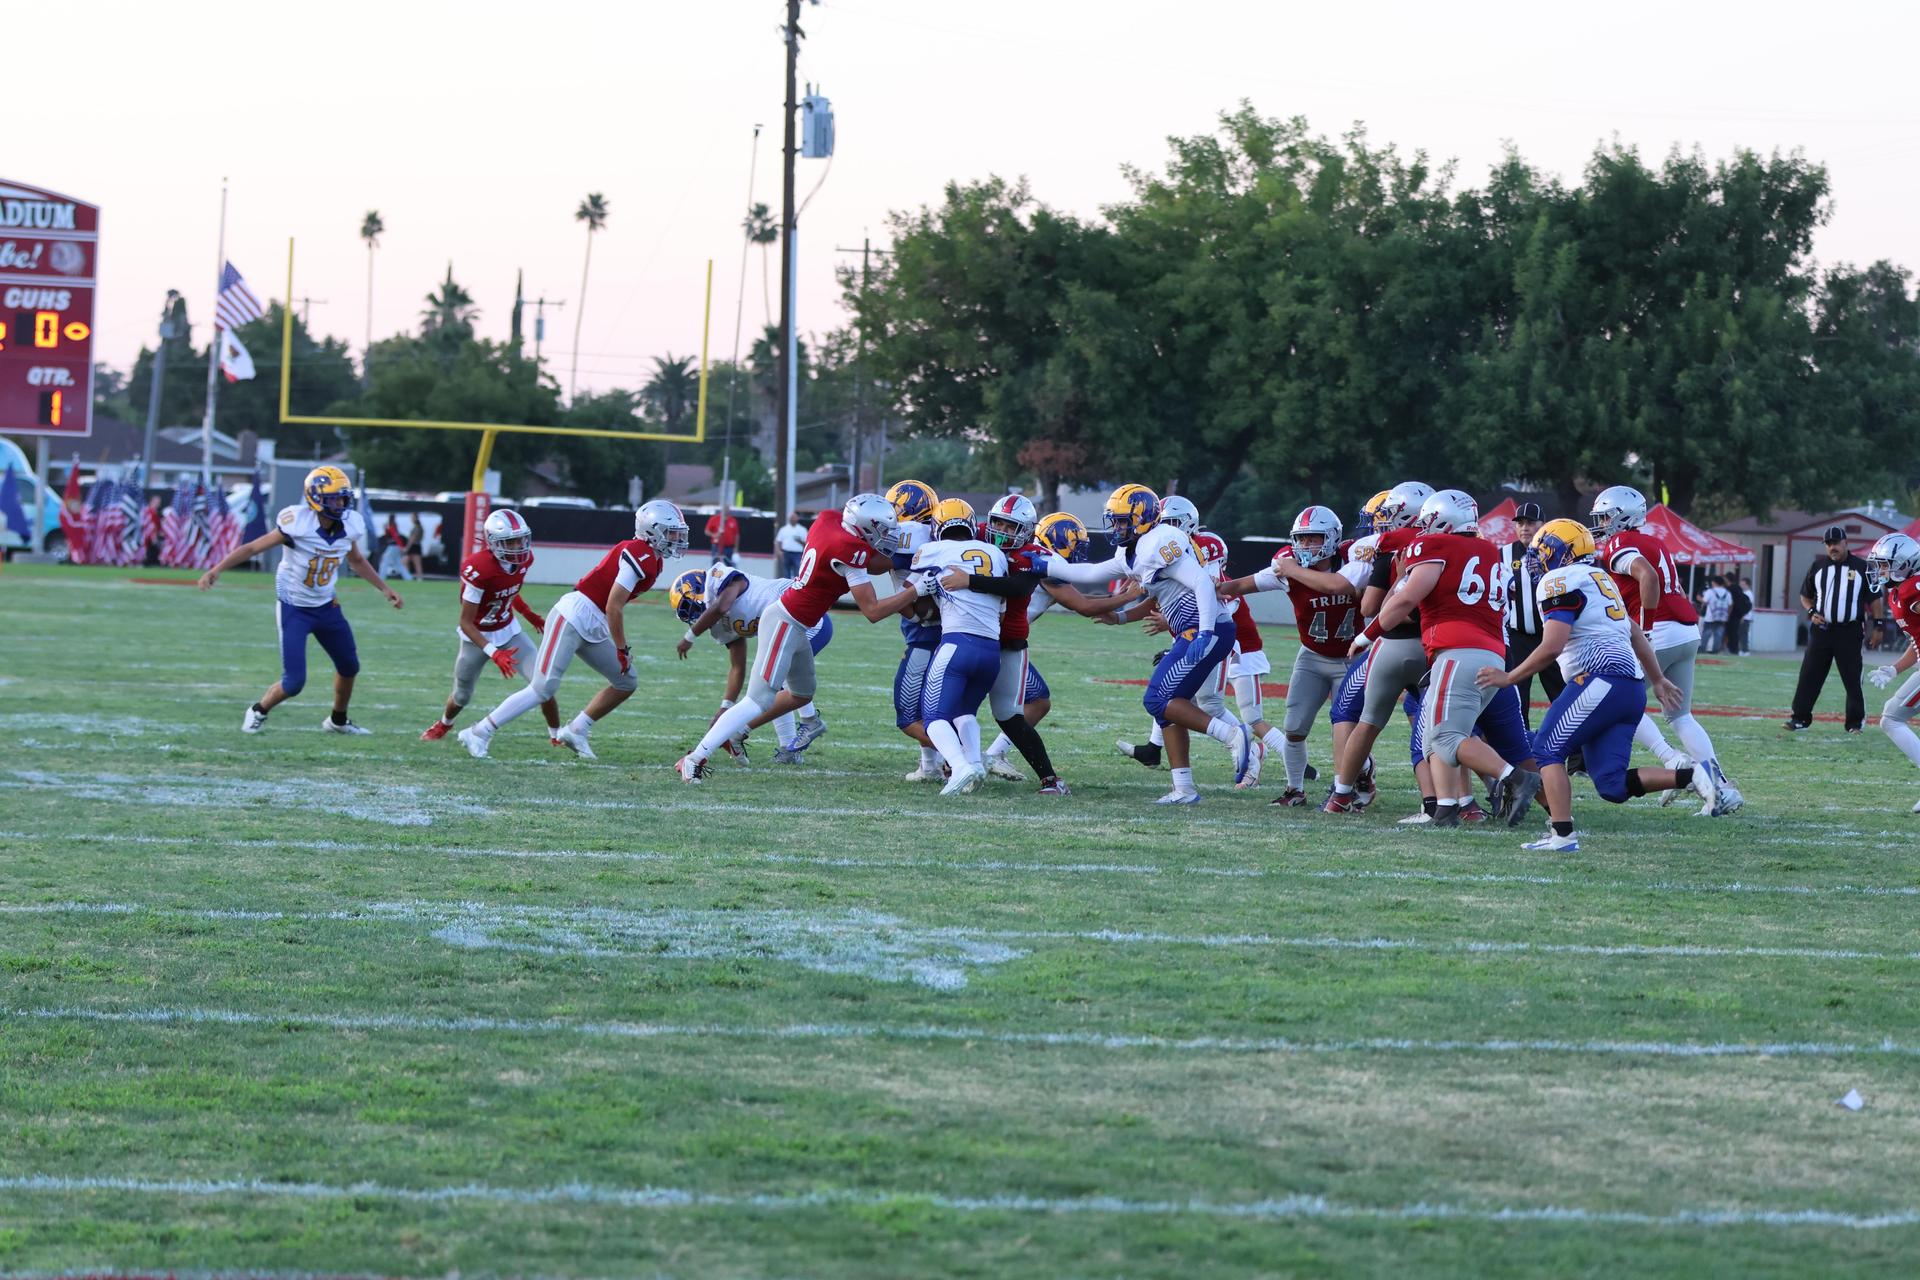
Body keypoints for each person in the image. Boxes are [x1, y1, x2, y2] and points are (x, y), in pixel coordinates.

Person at [1478, 520, 1710, 850]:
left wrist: (1509, 676)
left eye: (1544, 550)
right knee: (1611, 785)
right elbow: (1634, 632)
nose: (1539, 558)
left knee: (1546, 749)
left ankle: (1562, 835)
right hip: (1629, 686)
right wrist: (1656, 678)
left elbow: (1553, 645)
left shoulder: (1559, 580)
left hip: (1600, 678)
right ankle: (1695, 776)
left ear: (1563, 551)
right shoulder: (1600, 578)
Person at [676, 493, 927, 782]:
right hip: (785, 620)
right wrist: (915, 589)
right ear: (863, 528)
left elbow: (874, 562)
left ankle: (765, 732)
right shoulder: (849, 550)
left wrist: (905, 559)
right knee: (758, 700)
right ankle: (694, 758)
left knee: (801, 693)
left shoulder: (828, 521)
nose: (885, 536)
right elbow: (871, 610)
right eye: (881, 530)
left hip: (798, 622)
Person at [1041, 484, 1250, 804]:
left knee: (1157, 699)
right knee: (1169, 708)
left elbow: (1202, 585)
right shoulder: (1132, 550)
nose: (1116, 527)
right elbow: (1091, 572)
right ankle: (1184, 790)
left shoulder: (1158, 542)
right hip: (1192, 631)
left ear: (1142, 518)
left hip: (1207, 630)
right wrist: (1041, 564)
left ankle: (1232, 735)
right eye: (1115, 520)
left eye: (1123, 520)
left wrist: (1205, 632)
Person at [1351, 489, 1541, 827]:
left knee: (1447, 737)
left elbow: (1406, 598)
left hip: (1457, 652)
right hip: (1491, 651)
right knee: (1432, 735)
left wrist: (1368, 634)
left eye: (1428, 522)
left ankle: (1513, 777)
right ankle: (1446, 807)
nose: (1423, 530)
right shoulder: (1489, 551)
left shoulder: (1436, 546)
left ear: (1442, 520)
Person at [458, 500, 688, 760]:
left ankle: (576, 730)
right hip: (574, 615)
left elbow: (610, 608)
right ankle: (478, 732)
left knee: (626, 681)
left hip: (594, 620)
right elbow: (614, 606)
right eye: (671, 532)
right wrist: (622, 648)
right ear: (652, 531)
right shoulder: (638, 552)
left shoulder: (653, 559)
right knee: (543, 687)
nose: (676, 539)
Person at [197, 465, 403, 735]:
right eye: (334, 498)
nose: (340, 504)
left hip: (327, 606)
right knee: (294, 683)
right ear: (315, 498)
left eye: (343, 497)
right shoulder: (297, 524)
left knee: (349, 666)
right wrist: (217, 569)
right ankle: (258, 709)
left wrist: (384, 588)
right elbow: (252, 547)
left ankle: (337, 721)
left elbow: (357, 560)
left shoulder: (351, 525)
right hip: (295, 607)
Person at [1591, 485, 1743, 814]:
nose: (1601, 524)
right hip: (1686, 630)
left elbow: (1647, 576)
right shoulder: (1655, 541)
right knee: (1680, 715)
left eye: (1605, 517)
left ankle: (1672, 761)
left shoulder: (1621, 542)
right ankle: (1721, 787)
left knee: (1617, 701)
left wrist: (1645, 626)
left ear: (1622, 517)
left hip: (1658, 631)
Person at [1216, 504, 1367, 807]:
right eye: (1302, 539)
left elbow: (1337, 584)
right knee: (1295, 727)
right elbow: (1241, 585)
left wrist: (1292, 570)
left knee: (1347, 730)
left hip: (1353, 658)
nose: (1306, 545)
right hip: (1312, 655)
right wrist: (1212, 587)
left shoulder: (1353, 562)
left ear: (1332, 538)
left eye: (1313, 538)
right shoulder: (1287, 567)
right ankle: (1294, 789)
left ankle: (1357, 779)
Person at [421, 508, 562, 747]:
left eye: (521, 539)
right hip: (476, 636)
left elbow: (508, 590)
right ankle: (444, 723)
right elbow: (466, 622)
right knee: (462, 695)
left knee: (544, 684)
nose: (519, 546)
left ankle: (556, 735)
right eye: (511, 541)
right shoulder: (479, 569)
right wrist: (494, 653)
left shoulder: (524, 559)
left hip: (509, 631)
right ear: (494, 543)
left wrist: (529, 615)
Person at [671, 562, 830, 764]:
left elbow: (722, 606)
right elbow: (737, 666)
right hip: (786, 628)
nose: (695, 617)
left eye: (692, 607)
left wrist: (689, 637)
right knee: (773, 683)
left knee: (775, 681)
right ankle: (789, 749)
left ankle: (803, 723)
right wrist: (725, 707)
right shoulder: (718, 626)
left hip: (808, 617)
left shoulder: (719, 578)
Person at [907, 499, 1010, 795]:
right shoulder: (995, 554)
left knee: (933, 718)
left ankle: (960, 766)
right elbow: (1002, 607)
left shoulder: (932, 550)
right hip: (991, 649)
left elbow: (910, 586)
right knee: (965, 712)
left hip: (956, 644)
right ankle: (974, 764)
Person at [883, 481, 948, 782]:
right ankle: (930, 765)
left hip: (927, 631)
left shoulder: (910, 534)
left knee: (908, 714)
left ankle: (963, 757)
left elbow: (900, 594)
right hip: (949, 630)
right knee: (931, 705)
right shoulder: (938, 533)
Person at [1787, 526, 1880, 733]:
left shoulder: (1863, 567)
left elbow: (1875, 599)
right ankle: (1800, 718)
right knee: (1810, 674)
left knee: (1852, 678)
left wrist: (1879, 626)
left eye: (1836, 543)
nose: (1832, 547)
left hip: (1849, 631)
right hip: (1822, 631)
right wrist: (1811, 612)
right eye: (1828, 544)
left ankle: (1855, 723)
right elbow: (1805, 595)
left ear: (1846, 542)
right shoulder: (1818, 567)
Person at [1864, 533, 1920, 811]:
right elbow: (1916, 641)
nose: (1880, 570)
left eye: (1885, 565)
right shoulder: (1901, 591)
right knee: (1891, 718)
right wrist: (1894, 669)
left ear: (1904, 563)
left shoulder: (1913, 589)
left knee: (1891, 718)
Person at [1502, 502, 1566, 730]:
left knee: (1564, 698)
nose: (1525, 528)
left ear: (1543, 525)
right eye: (1520, 523)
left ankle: (1577, 762)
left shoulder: (1558, 553)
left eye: (1530, 523)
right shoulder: (1504, 553)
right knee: (1517, 701)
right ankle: (1522, 756)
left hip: (1553, 635)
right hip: (1518, 636)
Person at [1701, 576, 1732, 653]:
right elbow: (1730, 604)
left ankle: (1702, 649)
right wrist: (1727, 615)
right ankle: (1715, 650)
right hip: (1722, 617)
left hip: (1710, 617)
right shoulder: (1727, 593)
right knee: (1718, 634)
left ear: (1714, 582)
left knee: (1706, 633)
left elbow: (1704, 602)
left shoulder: (1710, 591)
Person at [775, 512, 809, 578]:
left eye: (794, 517)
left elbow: (807, 543)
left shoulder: (802, 530)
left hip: (797, 554)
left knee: (797, 572)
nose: (792, 518)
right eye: (791, 517)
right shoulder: (784, 529)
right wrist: (779, 551)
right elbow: (778, 541)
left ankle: (796, 587)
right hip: (786, 553)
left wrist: (799, 541)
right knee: (786, 572)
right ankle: (787, 587)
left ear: (797, 518)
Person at [1725, 575, 1752, 656]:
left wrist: (1742, 617)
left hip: (1745, 618)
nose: (1741, 585)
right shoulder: (1742, 593)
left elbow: (1747, 606)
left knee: (1743, 634)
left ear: (1747, 584)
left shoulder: (1748, 594)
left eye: (1742, 583)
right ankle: (1742, 650)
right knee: (1739, 633)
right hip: (1743, 617)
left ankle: (1745, 650)